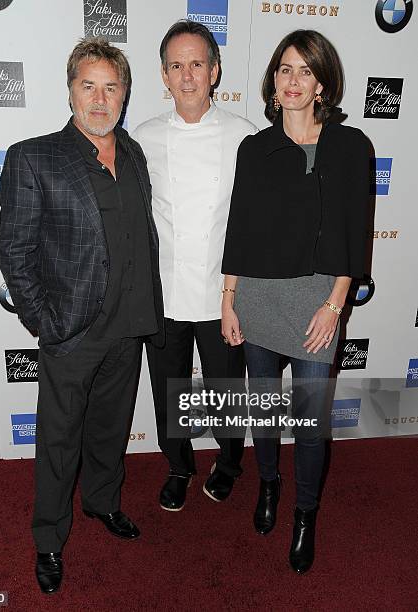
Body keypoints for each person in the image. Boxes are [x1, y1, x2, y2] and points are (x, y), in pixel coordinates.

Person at [0, 37, 164, 594]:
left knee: (110, 431)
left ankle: (101, 503)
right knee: (60, 440)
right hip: (72, 330)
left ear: (125, 93)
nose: (99, 98)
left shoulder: (134, 151)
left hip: (130, 324)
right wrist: (44, 321)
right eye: (88, 85)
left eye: (111, 87)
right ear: (70, 89)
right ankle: (48, 538)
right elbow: (13, 251)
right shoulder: (34, 155)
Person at [222, 29, 370, 573]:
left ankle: (305, 513)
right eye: (285, 69)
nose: (293, 81)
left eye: (305, 70)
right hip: (259, 298)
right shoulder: (254, 147)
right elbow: (239, 227)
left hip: (317, 302)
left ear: (324, 83)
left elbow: (357, 231)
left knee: (309, 421)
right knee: (263, 410)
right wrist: (229, 297)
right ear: (273, 79)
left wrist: (334, 305)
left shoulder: (352, 146)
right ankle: (268, 485)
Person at [132, 20, 257, 512]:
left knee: (228, 390)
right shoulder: (139, 138)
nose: (187, 75)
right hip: (163, 294)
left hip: (224, 294)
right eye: (177, 66)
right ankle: (179, 465)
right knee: (169, 392)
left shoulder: (244, 136)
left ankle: (228, 463)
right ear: (164, 75)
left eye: (197, 64)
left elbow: (252, 224)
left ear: (215, 71)